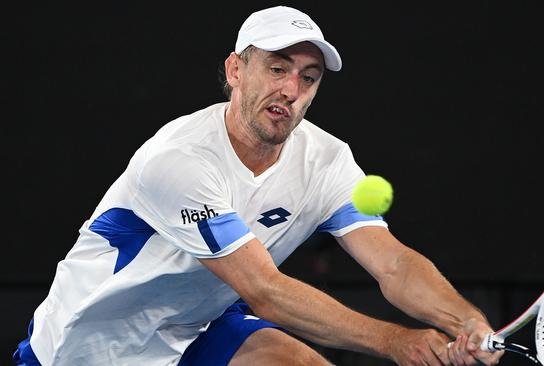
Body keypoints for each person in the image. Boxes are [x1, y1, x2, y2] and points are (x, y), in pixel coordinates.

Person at [14, 6, 503, 366]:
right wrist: (395, 341)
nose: (291, 90)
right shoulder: (177, 160)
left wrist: (465, 322)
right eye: (276, 69)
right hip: (84, 348)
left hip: (194, 330)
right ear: (235, 70)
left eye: (307, 78)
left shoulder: (326, 159)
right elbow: (263, 290)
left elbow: (393, 263)